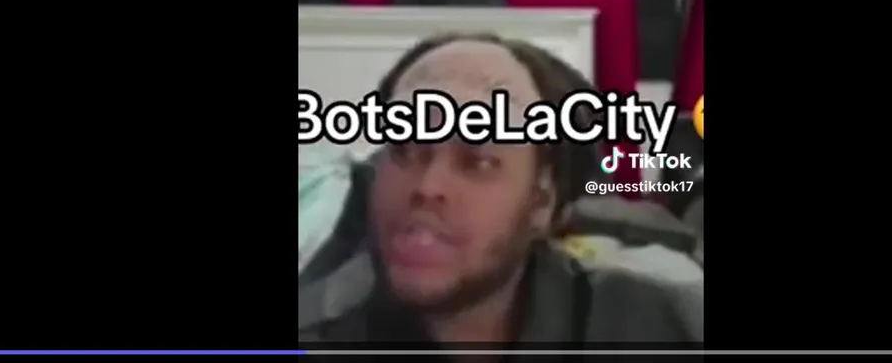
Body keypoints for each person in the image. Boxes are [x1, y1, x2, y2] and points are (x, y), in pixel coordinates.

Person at [297, 33, 703, 345]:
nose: (428, 186)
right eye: (404, 150)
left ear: (543, 201)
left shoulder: (661, 330)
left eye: (478, 161)